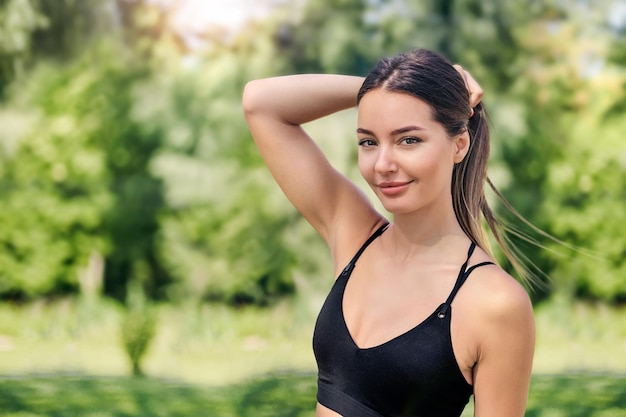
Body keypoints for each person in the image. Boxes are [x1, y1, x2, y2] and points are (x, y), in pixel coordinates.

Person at [242, 49, 535, 417]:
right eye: (369, 141)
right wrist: (382, 91)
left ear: (459, 144)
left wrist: (414, 93)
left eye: (408, 140)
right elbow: (260, 103)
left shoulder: (493, 302)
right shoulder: (354, 236)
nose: (383, 164)